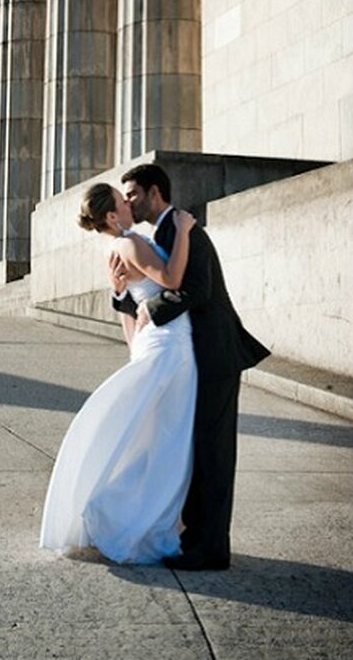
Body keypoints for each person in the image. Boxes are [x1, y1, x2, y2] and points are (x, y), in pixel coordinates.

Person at [110, 163, 271, 571]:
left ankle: (211, 548)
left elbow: (197, 289)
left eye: (132, 194)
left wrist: (150, 306)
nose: (128, 201)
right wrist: (121, 296)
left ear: (154, 192)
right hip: (189, 356)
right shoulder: (160, 234)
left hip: (214, 355)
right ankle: (194, 537)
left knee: (214, 453)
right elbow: (154, 287)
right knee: (194, 448)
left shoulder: (186, 230)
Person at [39, 183, 199, 565]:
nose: (128, 202)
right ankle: (121, 519)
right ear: (111, 216)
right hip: (170, 345)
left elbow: (133, 296)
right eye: (120, 199)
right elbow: (173, 280)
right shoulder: (128, 244)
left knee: (155, 440)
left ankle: (129, 517)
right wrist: (186, 232)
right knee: (167, 444)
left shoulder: (119, 247)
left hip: (159, 341)